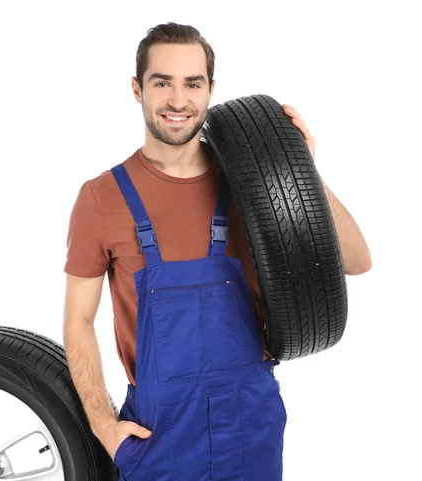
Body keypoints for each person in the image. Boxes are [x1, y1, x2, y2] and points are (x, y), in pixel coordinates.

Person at [62, 22, 371, 481]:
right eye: (161, 82)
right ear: (137, 89)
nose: (178, 100)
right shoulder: (101, 198)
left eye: (192, 83)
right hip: (157, 435)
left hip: (251, 428)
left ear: (210, 90)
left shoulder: (255, 185)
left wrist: (300, 173)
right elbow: (78, 321)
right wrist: (105, 427)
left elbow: (356, 261)